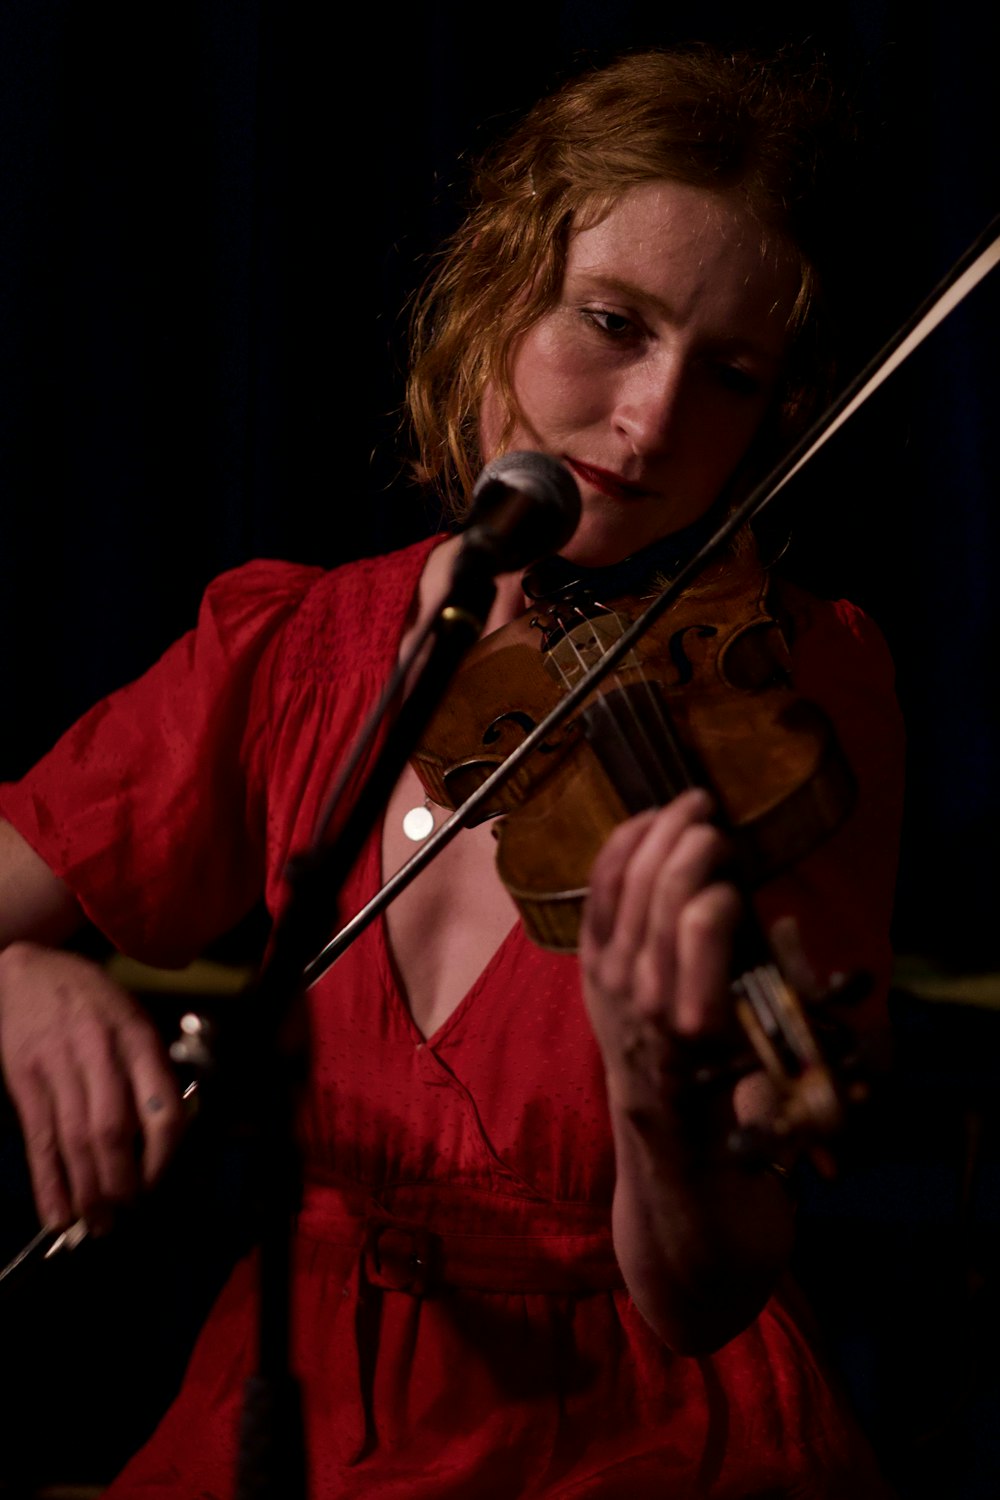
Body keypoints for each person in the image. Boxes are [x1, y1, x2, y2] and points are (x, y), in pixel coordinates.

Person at [0, 44, 904, 1498]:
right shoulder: (297, 646)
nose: (658, 419)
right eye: (613, 323)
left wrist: (662, 1092)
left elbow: (705, 1292)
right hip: (295, 1399)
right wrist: (21, 981)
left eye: (728, 376)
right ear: (497, 287)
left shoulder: (794, 692)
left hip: (636, 1437)